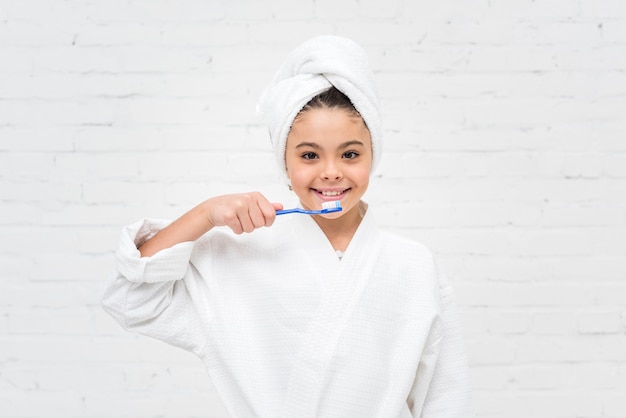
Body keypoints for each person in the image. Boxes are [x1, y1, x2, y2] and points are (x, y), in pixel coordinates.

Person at [102, 35, 475, 418]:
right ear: (284, 162)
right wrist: (205, 215)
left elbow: (447, 398)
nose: (331, 172)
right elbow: (130, 299)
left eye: (350, 153)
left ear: (373, 154)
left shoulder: (413, 265)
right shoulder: (240, 256)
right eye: (310, 155)